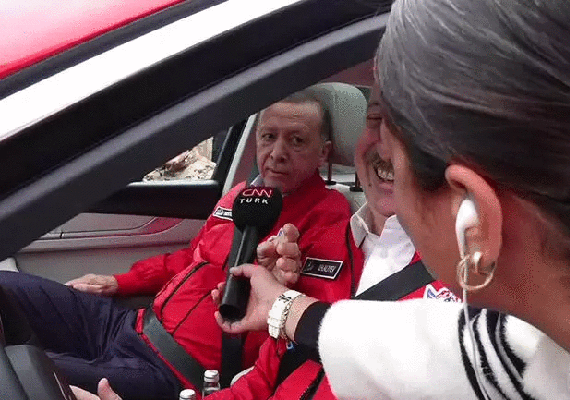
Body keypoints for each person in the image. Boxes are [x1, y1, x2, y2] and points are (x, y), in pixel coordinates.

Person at [207, 0, 570, 399]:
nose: (380, 157)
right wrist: (283, 306)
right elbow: (438, 350)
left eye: (395, 154)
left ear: (475, 223)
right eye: (373, 119)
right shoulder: (557, 338)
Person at [71, 73, 460, 400]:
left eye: (411, 127)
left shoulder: (466, 284)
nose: (389, 146)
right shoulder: (325, 243)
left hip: (170, 364)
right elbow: (261, 380)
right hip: (138, 325)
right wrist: (121, 282)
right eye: (375, 120)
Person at [0, 87, 356, 400]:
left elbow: (310, 327)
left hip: (172, 371)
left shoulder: (331, 218)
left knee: (16, 372)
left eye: (296, 141)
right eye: (268, 137)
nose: (277, 152)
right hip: (131, 324)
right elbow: (189, 257)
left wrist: (284, 285)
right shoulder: (240, 197)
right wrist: (119, 282)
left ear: (323, 153)